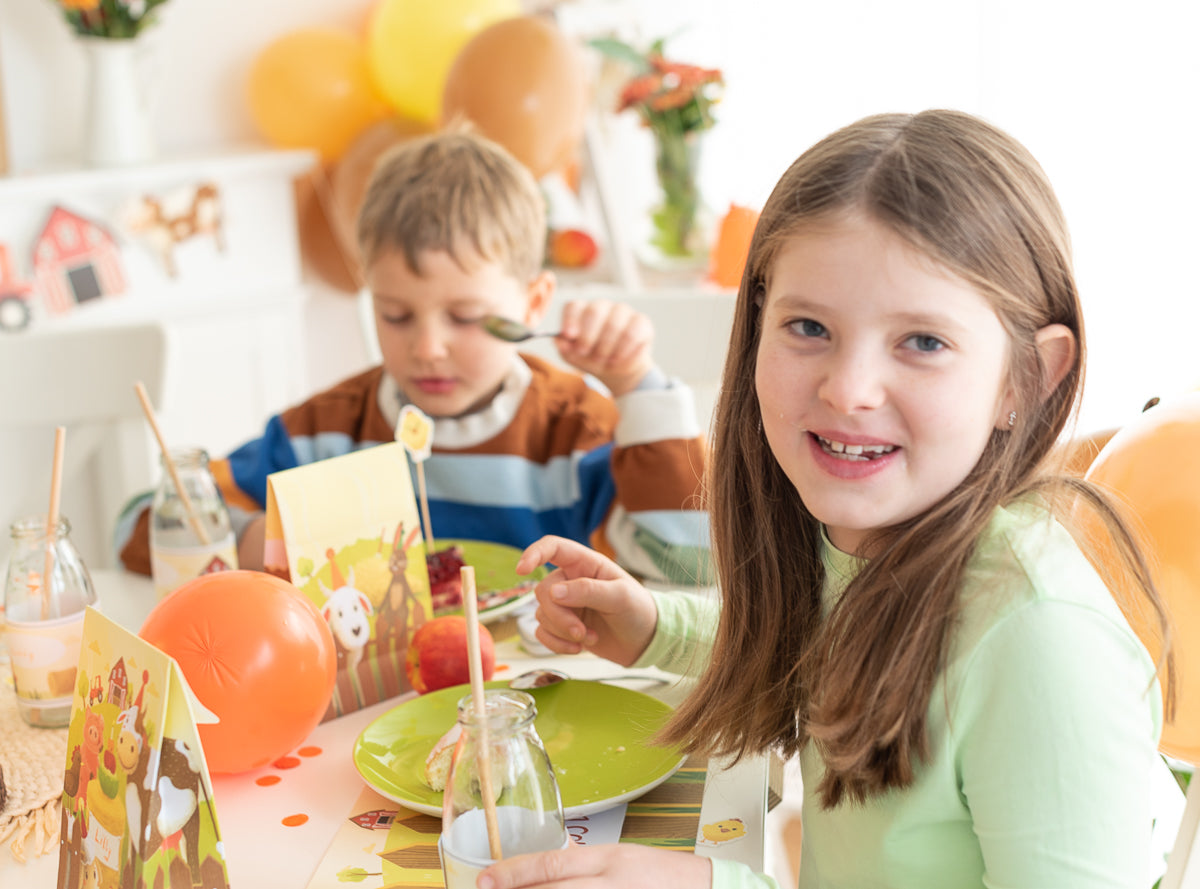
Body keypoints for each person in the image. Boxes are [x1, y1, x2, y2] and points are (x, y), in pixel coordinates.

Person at [484, 109, 1174, 889]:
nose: (847, 390)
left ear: (1027, 379)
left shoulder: (1041, 641)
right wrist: (653, 625)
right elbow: (824, 643)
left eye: (923, 342)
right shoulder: (867, 534)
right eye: (809, 326)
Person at [117, 129, 710, 585]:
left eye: (466, 317)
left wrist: (636, 385)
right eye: (396, 315)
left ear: (533, 303)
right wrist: (253, 544)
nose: (426, 348)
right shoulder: (326, 436)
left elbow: (693, 560)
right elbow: (138, 526)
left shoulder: (575, 435)